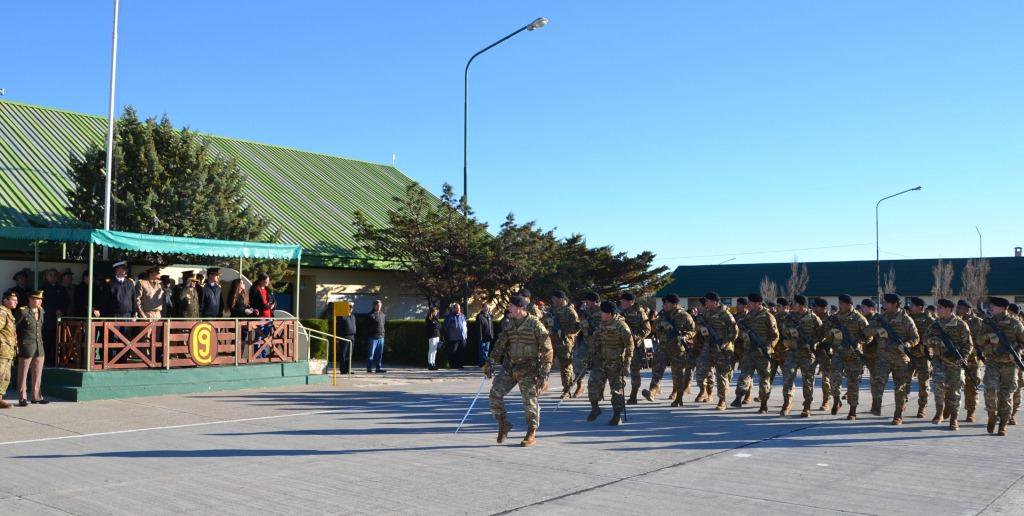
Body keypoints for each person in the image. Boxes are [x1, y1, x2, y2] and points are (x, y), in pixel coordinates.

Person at [483, 295, 552, 447]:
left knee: (529, 401)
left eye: (511, 306)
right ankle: (503, 423)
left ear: (520, 307)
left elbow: (547, 349)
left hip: (529, 368)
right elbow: (501, 344)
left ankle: (531, 431)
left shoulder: (535, 324)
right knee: (495, 394)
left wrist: (544, 374)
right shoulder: (510, 323)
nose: (509, 309)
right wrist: (490, 362)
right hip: (510, 367)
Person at [866, 293, 920, 425]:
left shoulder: (906, 319)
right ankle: (876, 406)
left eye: (886, 303)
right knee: (878, 382)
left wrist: (905, 345)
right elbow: (867, 331)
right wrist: (878, 330)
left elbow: (915, 338)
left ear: (895, 304)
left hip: (900, 359)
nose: (884, 305)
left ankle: (898, 414)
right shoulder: (881, 317)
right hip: (883, 357)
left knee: (900, 388)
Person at [924, 298, 973, 430]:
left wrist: (962, 357)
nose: (938, 310)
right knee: (938, 389)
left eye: (940, 308)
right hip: (939, 362)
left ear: (948, 309)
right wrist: (936, 341)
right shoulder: (935, 324)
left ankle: (954, 418)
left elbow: (968, 345)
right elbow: (925, 340)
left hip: (955, 364)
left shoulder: (960, 324)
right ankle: (939, 412)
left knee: (954, 392)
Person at [981, 296, 1024, 436]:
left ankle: (1003, 424)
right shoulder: (987, 322)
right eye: (991, 305)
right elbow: (978, 340)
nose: (990, 307)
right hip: (992, 362)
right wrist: (990, 337)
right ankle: (992, 415)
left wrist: (1016, 351)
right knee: (990, 390)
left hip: (1010, 365)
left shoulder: (1015, 323)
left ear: (1003, 308)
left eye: (994, 305)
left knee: (1006, 395)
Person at [645, 293, 697, 407]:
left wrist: (685, 336)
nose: (665, 305)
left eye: (667, 303)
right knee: (657, 370)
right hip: (662, 347)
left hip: (677, 348)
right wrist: (660, 323)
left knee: (677, 374)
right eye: (664, 303)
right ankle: (652, 391)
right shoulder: (662, 315)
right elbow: (653, 328)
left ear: (674, 304)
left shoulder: (684, 315)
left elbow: (693, 330)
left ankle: (678, 397)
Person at [586, 300, 634, 425]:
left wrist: (626, 364)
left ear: (610, 314)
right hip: (601, 361)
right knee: (593, 383)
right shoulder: (602, 324)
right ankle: (595, 409)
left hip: (616, 363)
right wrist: (590, 357)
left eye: (603, 312)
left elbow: (630, 346)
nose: (601, 314)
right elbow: (596, 341)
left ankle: (617, 416)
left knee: (616, 391)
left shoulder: (621, 326)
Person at [824, 294, 870, 420]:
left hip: (853, 355)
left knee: (853, 383)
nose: (840, 305)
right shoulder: (834, 318)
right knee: (834, 379)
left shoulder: (859, 318)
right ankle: (837, 400)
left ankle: (852, 410)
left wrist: (857, 342)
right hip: (838, 353)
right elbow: (826, 333)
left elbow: (868, 337)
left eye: (842, 303)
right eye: (839, 303)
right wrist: (831, 335)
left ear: (849, 305)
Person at [734, 293, 779, 414]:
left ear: (758, 304)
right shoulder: (748, 316)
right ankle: (739, 397)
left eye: (750, 302)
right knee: (744, 374)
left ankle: (764, 404)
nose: (748, 304)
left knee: (764, 379)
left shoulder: (768, 316)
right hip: (749, 351)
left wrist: (767, 347)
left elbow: (775, 336)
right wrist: (743, 334)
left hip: (762, 353)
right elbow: (742, 330)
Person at [695, 292, 738, 410]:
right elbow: (698, 324)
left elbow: (734, 332)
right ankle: (704, 391)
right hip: (708, 346)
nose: (706, 304)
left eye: (708, 301)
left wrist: (725, 343)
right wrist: (701, 328)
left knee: (722, 376)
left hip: (722, 348)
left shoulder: (725, 314)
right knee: (700, 370)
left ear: (715, 302)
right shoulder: (706, 313)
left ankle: (722, 400)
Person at [780, 295, 822, 417]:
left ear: (802, 305)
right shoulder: (789, 317)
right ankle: (787, 402)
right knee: (788, 376)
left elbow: (821, 333)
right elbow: (784, 331)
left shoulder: (813, 318)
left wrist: (813, 342)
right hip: (793, 351)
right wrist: (789, 332)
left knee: (808, 380)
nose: (792, 305)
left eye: (795, 303)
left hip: (807, 354)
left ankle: (807, 406)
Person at [544, 290, 581, 398]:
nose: (552, 301)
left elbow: (577, 327)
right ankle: (542, 385)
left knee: (565, 367)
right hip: (551, 342)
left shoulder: (570, 311)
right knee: (545, 363)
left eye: (554, 298)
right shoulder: (551, 311)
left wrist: (564, 332)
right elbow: (544, 322)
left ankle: (567, 390)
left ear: (561, 299)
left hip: (565, 343)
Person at [619, 293, 651, 405]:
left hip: (635, 347)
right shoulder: (620, 312)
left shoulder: (640, 312)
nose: (622, 302)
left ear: (631, 302)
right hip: (621, 345)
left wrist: (635, 337)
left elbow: (647, 329)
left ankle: (633, 395)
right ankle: (618, 394)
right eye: (621, 300)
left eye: (624, 301)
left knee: (634, 371)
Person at [956, 299, 985, 423]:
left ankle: (970, 412)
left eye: (959, 308)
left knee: (972, 386)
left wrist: (980, 351)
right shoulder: (955, 321)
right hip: (957, 358)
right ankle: (951, 410)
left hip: (973, 360)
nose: (957, 310)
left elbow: (984, 339)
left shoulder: (978, 322)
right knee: (953, 385)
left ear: (967, 310)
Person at [16, 290, 47, 405]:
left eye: (40, 299)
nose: (39, 301)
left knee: (38, 372)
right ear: (30, 299)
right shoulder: (23, 311)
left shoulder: (42, 311)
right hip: (26, 346)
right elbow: (14, 328)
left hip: (39, 346)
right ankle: (22, 397)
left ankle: (36, 396)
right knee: (23, 373)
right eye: (36, 299)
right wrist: (17, 343)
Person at [906, 296, 935, 419]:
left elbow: (935, 338)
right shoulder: (907, 319)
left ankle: (921, 407)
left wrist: (928, 346)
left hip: (923, 356)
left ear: (920, 307)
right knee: (903, 381)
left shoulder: (930, 320)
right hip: (909, 355)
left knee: (923, 384)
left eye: (913, 305)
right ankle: (902, 403)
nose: (910, 307)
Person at [573, 292, 604, 398]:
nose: (586, 303)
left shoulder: (603, 312)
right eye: (586, 301)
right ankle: (580, 385)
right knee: (577, 361)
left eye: (588, 301)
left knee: (598, 367)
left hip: (599, 344)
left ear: (595, 302)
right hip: (586, 342)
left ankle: (600, 389)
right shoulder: (585, 312)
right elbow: (581, 325)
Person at [858, 299, 881, 413]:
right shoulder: (862, 319)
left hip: (876, 354)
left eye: (864, 307)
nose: (862, 309)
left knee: (875, 381)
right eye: (861, 307)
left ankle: (876, 405)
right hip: (865, 353)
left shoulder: (877, 319)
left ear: (871, 308)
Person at [811, 299, 834, 411]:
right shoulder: (812, 318)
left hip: (825, 351)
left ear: (824, 308)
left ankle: (826, 401)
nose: (815, 309)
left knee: (826, 378)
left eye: (817, 307)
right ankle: (808, 399)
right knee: (809, 375)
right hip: (812, 350)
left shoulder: (831, 320)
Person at [40, 268, 67, 366]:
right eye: (50, 275)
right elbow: (42, 303)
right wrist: (54, 310)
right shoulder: (42, 288)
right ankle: (46, 361)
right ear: (46, 276)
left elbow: (66, 301)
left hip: (60, 319)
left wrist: (61, 310)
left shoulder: (61, 288)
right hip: (48, 320)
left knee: (59, 341)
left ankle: (57, 361)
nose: (53, 277)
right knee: (47, 342)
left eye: (55, 275)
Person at [249, 273, 277, 357]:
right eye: (266, 281)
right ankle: (258, 356)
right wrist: (265, 306)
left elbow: (274, 300)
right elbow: (252, 303)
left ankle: (263, 355)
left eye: (268, 281)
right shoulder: (254, 289)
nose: (268, 282)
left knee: (266, 338)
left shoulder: (268, 289)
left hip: (269, 317)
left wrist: (272, 305)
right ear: (261, 280)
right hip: (259, 317)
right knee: (259, 338)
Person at [0, 290, 17, 408]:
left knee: (6, 376)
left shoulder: (9, 313)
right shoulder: (2, 312)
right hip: (2, 349)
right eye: (13, 300)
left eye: (17, 300)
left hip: (8, 351)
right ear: (5, 300)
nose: (16, 302)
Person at [366, 299, 387, 373]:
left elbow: (384, 324)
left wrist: (383, 334)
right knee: (371, 354)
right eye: (377, 305)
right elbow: (366, 327)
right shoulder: (370, 315)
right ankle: (369, 368)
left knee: (379, 354)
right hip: (372, 338)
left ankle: (378, 368)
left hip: (381, 337)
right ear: (374, 306)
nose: (379, 307)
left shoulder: (383, 315)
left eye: (380, 305)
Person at [335, 302, 356, 374]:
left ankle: (348, 369)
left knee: (350, 354)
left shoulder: (353, 316)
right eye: (349, 308)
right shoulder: (342, 316)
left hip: (352, 336)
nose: (350, 309)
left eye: (351, 308)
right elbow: (338, 327)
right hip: (344, 336)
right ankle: (343, 369)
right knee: (343, 354)